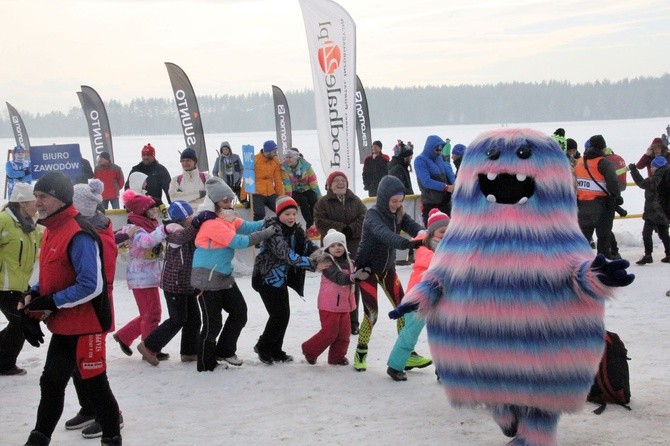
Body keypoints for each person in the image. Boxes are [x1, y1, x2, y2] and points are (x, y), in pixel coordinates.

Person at [390, 128, 633, 445]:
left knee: (540, 396)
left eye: (522, 157)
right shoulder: (463, 236)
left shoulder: (557, 234)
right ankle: (505, 410)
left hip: (545, 343)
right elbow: (441, 273)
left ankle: (536, 435)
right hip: (485, 346)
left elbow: (576, 270)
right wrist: (418, 297)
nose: (504, 167)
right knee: (495, 384)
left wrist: (599, 276)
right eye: (491, 157)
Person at [18, 171, 121, 446]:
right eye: (36, 197)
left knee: (95, 387)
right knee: (51, 383)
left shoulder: (79, 232)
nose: (37, 202)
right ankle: (38, 439)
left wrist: (50, 302)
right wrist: (34, 294)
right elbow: (52, 274)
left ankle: (112, 438)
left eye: (43, 197)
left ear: (61, 199)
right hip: (65, 325)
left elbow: (91, 285)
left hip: (86, 326)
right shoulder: (52, 229)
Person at [190, 178, 277, 371]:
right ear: (214, 202)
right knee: (212, 324)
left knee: (239, 312)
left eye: (231, 199)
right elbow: (238, 242)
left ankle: (225, 350)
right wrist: (267, 233)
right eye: (224, 200)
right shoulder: (212, 223)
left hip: (224, 277)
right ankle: (206, 364)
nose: (229, 203)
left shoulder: (228, 218)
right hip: (207, 279)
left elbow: (248, 227)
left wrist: (268, 221)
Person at [65, 179, 124, 439]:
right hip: (79, 308)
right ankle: (89, 408)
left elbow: (100, 279)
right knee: (78, 362)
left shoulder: (96, 235)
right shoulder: (85, 229)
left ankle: (110, 415)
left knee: (92, 363)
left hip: (94, 309)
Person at [353, 175, 428, 372]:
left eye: (400, 201)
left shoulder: (399, 214)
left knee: (404, 309)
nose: (397, 204)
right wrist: (408, 243)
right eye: (394, 201)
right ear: (383, 197)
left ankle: (407, 354)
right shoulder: (373, 215)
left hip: (387, 270)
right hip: (367, 270)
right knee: (372, 315)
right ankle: (361, 351)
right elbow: (384, 235)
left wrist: (427, 235)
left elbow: (414, 227)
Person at [251, 196, 328, 364]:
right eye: (287, 213)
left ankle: (276, 349)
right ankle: (263, 346)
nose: (291, 217)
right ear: (279, 214)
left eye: (294, 213)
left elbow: (307, 246)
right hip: (267, 279)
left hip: (280, 280)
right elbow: (287, 255)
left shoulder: (296, 230)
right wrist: (313, 264)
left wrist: (322, 254)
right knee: (278, 315)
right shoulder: (274, 231)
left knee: (283, 315)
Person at [112, 189, 180, 360]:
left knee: (149, 312)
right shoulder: (136, 228)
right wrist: (164, 230)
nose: (154, 211)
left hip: (150, 275)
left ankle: (125, 336)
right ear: (142, 210)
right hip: (140, 277)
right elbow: (146, 242)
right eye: (150, 209)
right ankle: (149, 347)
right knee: (152, 313)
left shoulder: (151, 224)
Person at [136, 201, 203, 367]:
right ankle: (149, 346)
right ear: (181, 219)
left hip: (187, 283)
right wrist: (196, 224)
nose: (192, 218)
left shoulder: (190, 229)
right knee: (177, 319)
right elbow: (181, 238)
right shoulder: (173, 230)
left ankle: (189, 351)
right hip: (174, 284)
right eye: (189, 217)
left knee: (194, 319)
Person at [386, 208, 449, 381]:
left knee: (442, 335)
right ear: (432, 232)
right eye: (442, 231)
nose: (446, 234)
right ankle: (395, 366)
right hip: (419, 297)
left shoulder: (452, 247)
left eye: (449, 231)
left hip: (441, 297)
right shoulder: (422, 245)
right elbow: (429, 261)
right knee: (410, 333)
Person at [301, 229, 369, 366]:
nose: (337, 248)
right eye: (332, 246)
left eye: (339, 245)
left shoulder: (350, 262)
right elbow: (339, 278)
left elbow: (357, 272)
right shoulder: (327, 263)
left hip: (345, 304)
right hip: (329, 305)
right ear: (327, 248)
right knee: (330, 332)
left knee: (344, 333)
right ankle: (309, 350)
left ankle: (337, 357)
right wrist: (354, 277)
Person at [313, 171, 367, 335]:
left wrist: (351, 230)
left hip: (353, 247)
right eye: (336, 180)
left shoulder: (355, 200)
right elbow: (320, 221)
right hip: (332, 250)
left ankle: (353, 321)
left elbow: (364, 217)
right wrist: (341, 229)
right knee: (333, 283)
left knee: (353, 283)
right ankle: (334, 319)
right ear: (330, 185)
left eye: (343, 180)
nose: (340, 183)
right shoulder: (323, 202)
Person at [0, 183, 41, 376]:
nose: (38, 204)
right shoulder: (4, 219)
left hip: (20, 285)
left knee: (21, 321)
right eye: (35, 200)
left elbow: (48, 238)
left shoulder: (30, 224)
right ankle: (5, 364)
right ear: (23, 203)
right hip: (4, 285)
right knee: (20, 322)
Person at [574, 135, 622, 259]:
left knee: (583, 236)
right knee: (603, 236)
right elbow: (613, 183)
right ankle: (603, 260)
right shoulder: (604, 163)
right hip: (603, 205)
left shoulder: (579, 162)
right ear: (603, 147)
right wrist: (617, 196)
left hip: (582, 204)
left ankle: (580, 261)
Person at [628, 157, 670, 264]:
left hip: (654, 210)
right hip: (663, 210)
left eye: (652, 166)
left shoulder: (658, 177)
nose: (650, 169)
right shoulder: (666, 174)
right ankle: (669, 254)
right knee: (663, 232)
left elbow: (643, 183)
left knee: (646, 233)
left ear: (657, 167)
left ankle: (648, 255)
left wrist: (634, 171)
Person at [414, 135, 456, 225]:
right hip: (430, 204)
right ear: (430, 147)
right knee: (433, 233)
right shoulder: (420, 160)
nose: (439, 152)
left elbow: (448, 171)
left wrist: (455, 184)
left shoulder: (440, 158)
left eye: (441, 150)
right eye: (437, 149)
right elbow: (426, 182)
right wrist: (445, 187)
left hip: (445, 203)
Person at [281, 148, 322, 237]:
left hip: (306, 188)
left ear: (296, 158)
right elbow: (287, 185)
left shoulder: (306, 166)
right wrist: (288, 199)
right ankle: (311, 224)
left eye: (290, 157)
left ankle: (309, 227)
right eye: (286, 157)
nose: (287, 159)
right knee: (303, 201)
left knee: (313, 199)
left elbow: (313, 183)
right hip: (294, 191)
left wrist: (319, 197)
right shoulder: (284, 168)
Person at [240, 140, 284, 221]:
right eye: (274, 152)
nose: (276, 154)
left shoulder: (275, 161)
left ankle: (280, 229)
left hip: (271, 193)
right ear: (268, 152)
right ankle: (258, 231)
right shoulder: (254, 160)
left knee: (282, 210)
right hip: (257, 193)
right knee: (260, 213)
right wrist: (243, 197)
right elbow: (247, 178)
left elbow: (278, 180)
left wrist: (281, 196)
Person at [124, 143, 172, 209]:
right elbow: (127, 188)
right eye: (143, 155)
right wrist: (128, 204)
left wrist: (172, 204)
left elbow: (169, 189)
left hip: (154, 207)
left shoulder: (160, 170)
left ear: (153, 156)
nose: (145, 157)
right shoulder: (136, 169)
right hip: (137, 206)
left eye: (148, 155)